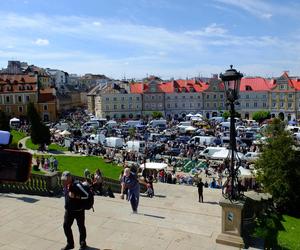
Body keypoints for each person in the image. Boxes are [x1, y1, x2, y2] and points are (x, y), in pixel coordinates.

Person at [61, 171, 87, 250]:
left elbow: (86, 195)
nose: (63, 181)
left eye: (65, 180)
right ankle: (70, 244)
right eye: (63, 180)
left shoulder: (77, 185)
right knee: (66, 226)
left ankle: (83, 243)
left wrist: (76, 196)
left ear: (70, 178)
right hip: (69, 211)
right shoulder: (65, 185)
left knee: (81, 227)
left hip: (79, 211)